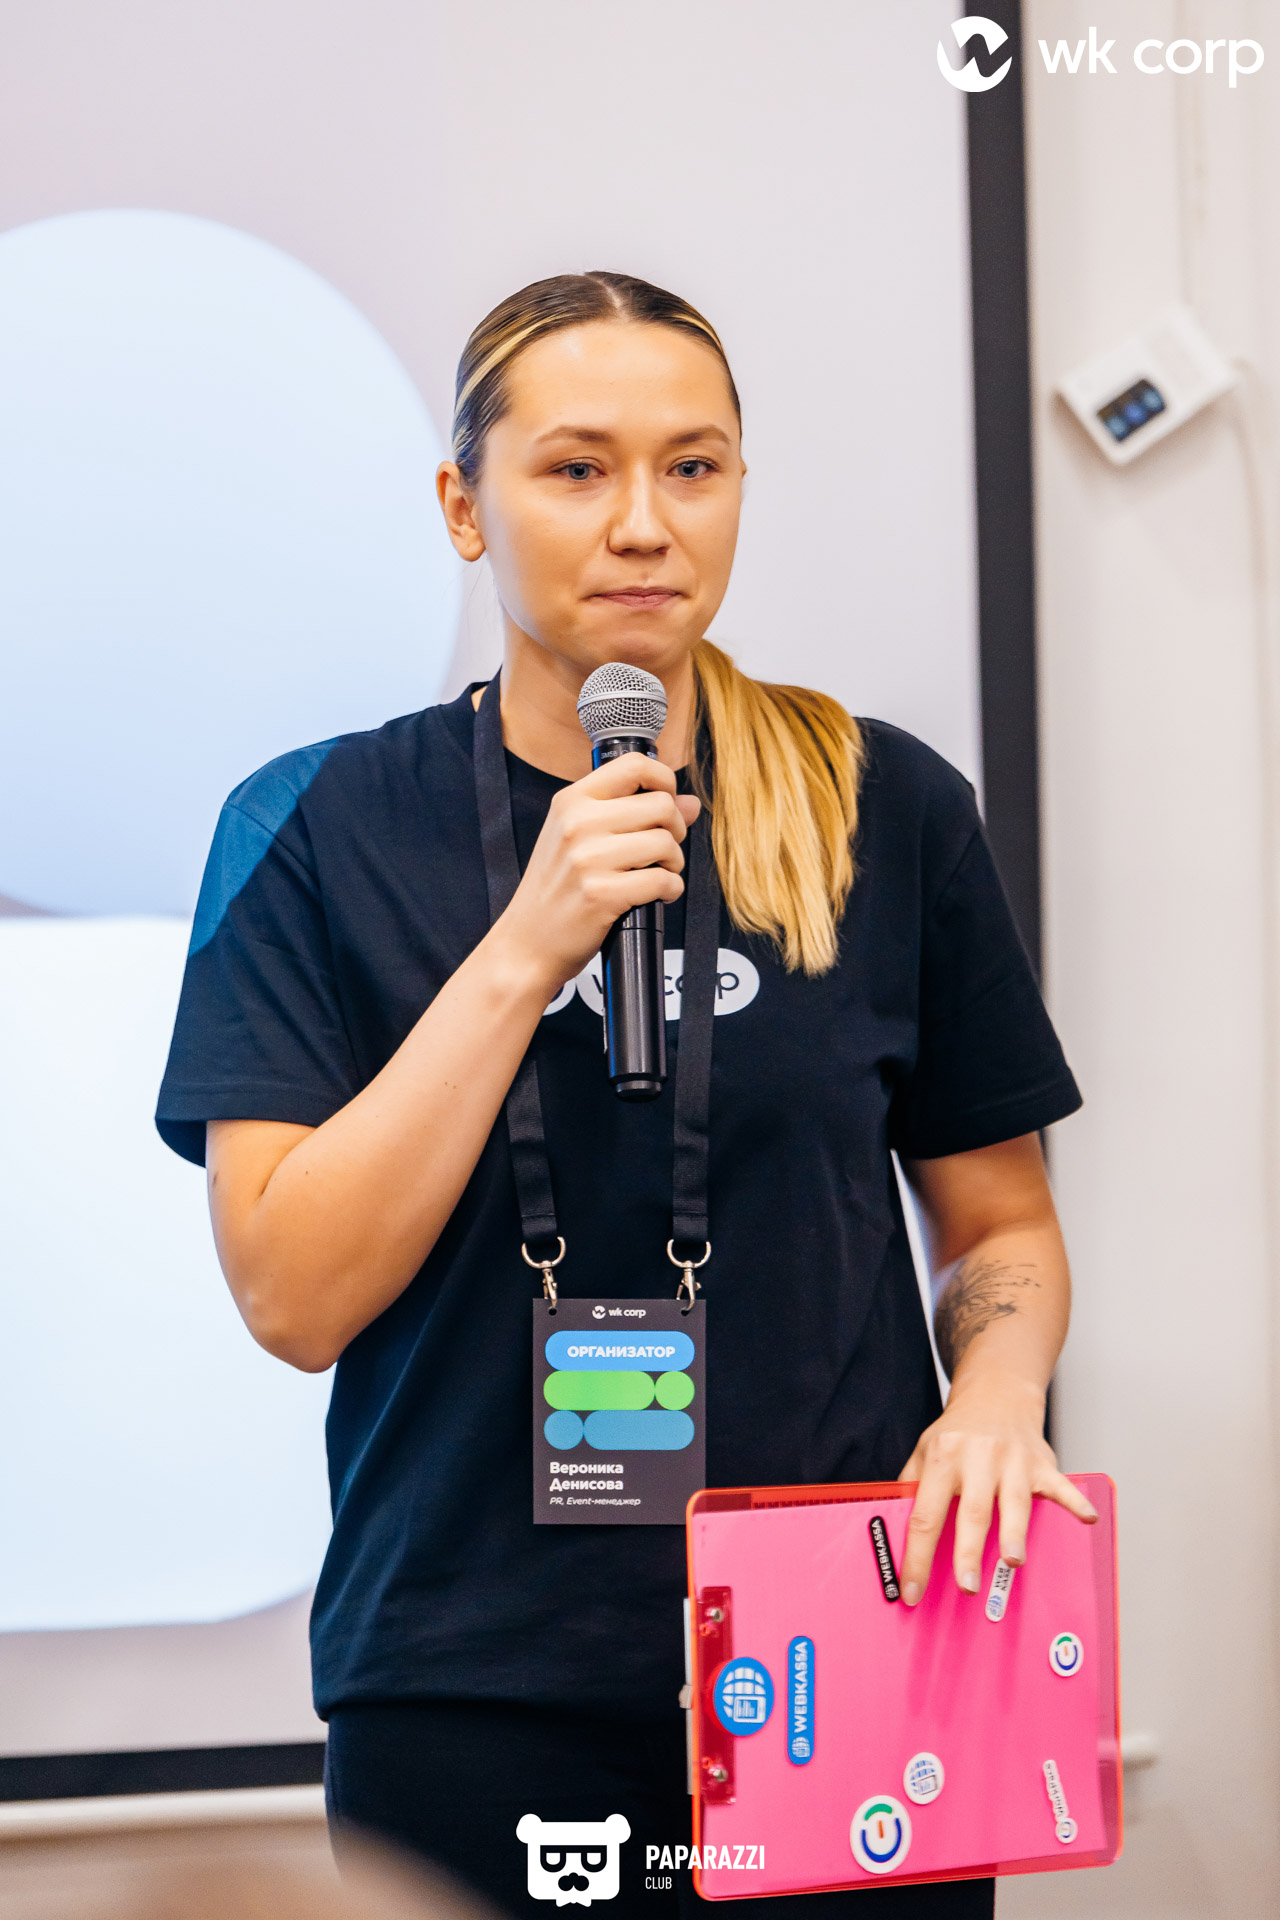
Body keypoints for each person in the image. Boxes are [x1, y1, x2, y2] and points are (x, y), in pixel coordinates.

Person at [157, 273, 1088, 1919]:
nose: (645, 523)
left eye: (694, 467)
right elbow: (293, 1295)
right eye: (578, 468)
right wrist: (527, 949)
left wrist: (998, 1397)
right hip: (472, 1673)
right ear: (465, 507)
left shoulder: (885, 807)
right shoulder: (313, 827)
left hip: (849, 1644)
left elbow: (999, 1222)